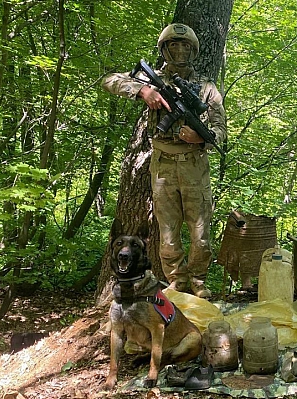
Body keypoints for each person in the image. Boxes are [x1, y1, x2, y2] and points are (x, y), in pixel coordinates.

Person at [102, 23, 227, 298]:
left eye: (184, 46)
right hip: (163, 164)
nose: (179, 51)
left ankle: (198, 281)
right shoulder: (151, 79)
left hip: (195, 164)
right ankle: (177, 282)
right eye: (173, 46)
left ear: (192, 51)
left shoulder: (206, 88)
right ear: (164, 49)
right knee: (168, 233)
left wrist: (201, 137)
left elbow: (220, 129)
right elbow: (110, 80)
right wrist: (141, 91)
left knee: (200, 233)